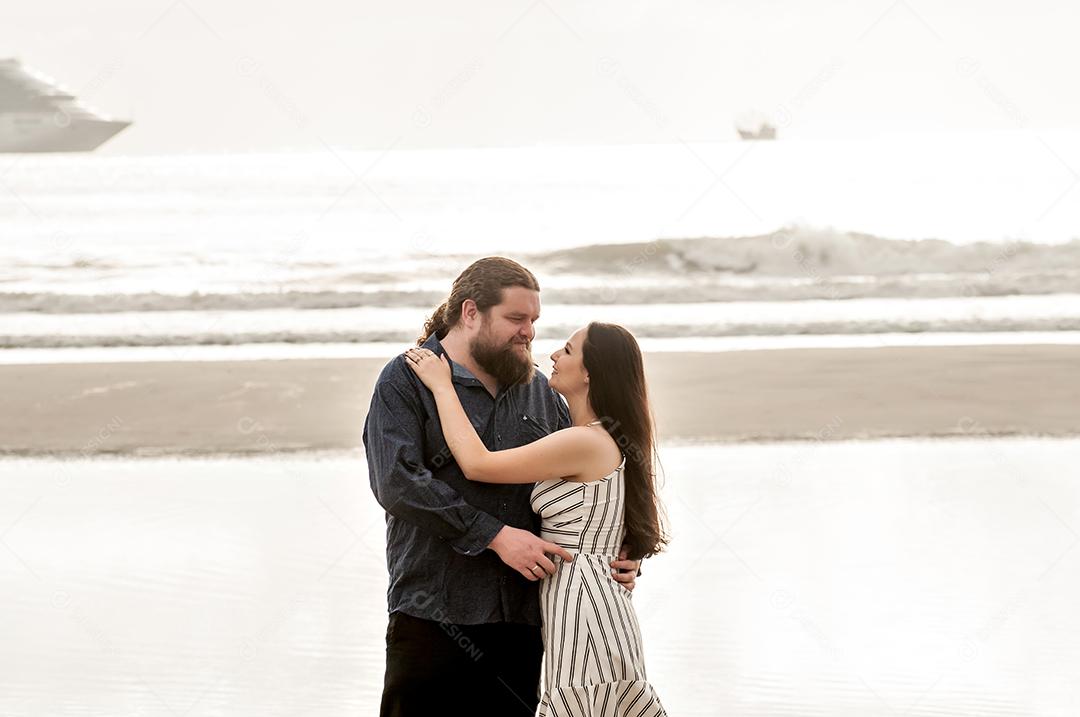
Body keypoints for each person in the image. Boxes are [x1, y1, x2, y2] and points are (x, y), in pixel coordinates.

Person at [363, 257, 644, 716]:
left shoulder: (541, 389)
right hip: (435, 609)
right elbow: (398, 483)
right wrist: (492, 536)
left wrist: (622, 549)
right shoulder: (406, 380)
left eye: (534, 320)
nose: (529, 333)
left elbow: (588, 482)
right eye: (516, 319)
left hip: (526, 615)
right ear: (470, 312)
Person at [404, 319, 668, 716]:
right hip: (582, 597)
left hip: (584, 606)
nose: (553, 356)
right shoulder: (591, 438)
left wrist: (442, 386)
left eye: (567, 350)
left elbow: (478, 464)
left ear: (590, 372)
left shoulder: (583, 441)